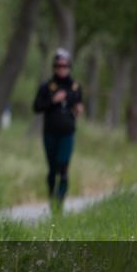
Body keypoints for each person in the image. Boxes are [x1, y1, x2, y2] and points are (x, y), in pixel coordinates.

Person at [32, 49, 83, 211]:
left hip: (67, 132)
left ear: (69, 67)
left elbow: (78, 105)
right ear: (54, 67)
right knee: (52, 168)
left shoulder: (75, 87)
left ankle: (59, 202)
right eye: (59, 66)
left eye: (65, 66)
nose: (62, 68)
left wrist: (78, 109)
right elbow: (37, 107)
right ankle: (51, 196)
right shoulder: (47, 86)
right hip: (50, 132)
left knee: (63, 166)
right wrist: (53, 100)